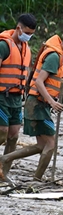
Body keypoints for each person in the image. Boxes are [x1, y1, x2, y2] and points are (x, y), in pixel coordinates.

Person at [2, 30, 63, 180]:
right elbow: (39, 81)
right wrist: (52, 101)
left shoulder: (58, 55)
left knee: (42, 145)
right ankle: (37, 179)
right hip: (38, 104)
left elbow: (55, 76)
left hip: (40, 104)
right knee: (51, 144)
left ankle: (5, 159)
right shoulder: (54, 55)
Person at [0, 14, 36, 180]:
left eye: (31, 33)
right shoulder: (4, 45)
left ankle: (3, 172)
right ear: (18, 28)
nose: (28, 36)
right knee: (2, 132)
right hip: (2, 96)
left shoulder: (26, 49)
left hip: (16, 98)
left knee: (13, 136)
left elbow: (26, 73)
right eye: (26, 32)